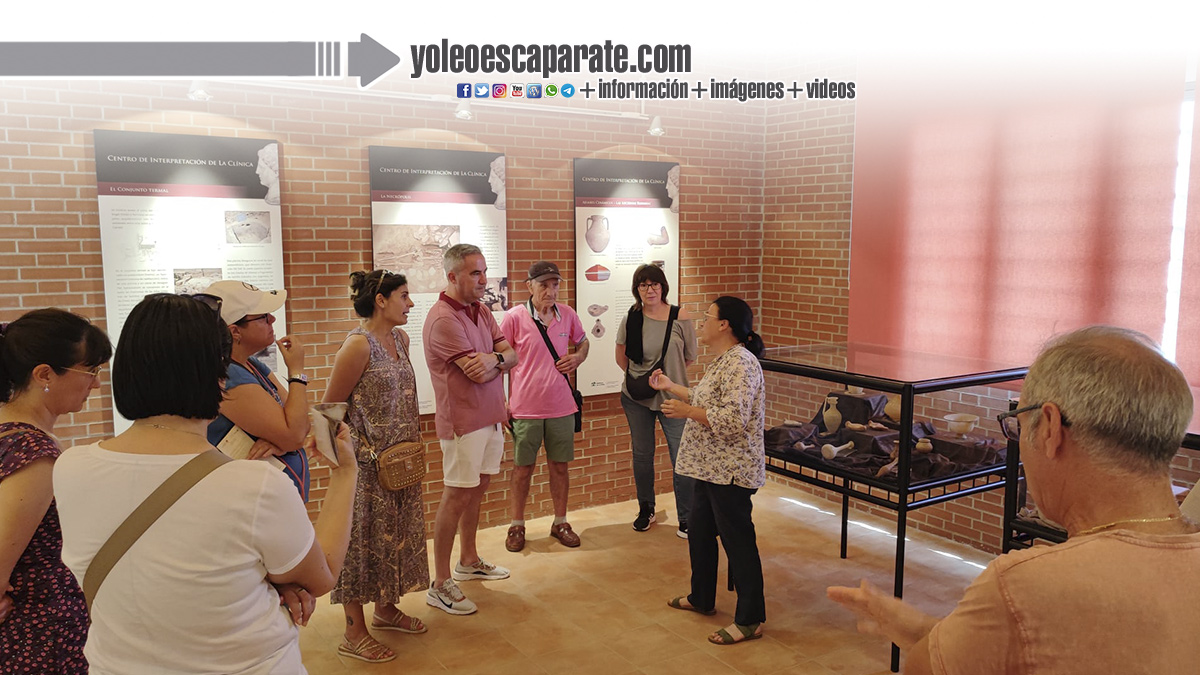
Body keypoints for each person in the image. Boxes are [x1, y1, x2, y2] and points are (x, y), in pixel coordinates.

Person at [828, 325, 1200, 675]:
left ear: (1050, 428)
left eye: (1018, 424)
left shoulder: (1026, 585)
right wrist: (924, 630)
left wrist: (925, 639)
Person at [54, 293, 358, 674]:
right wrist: (345, 472)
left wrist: (252, 578)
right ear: (218, 376)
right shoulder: (255, 487)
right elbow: (322, 573)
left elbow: (168, 568)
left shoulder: (69, 468)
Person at [322, 270, 430, 663]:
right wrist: (340, 463)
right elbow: (331, 408)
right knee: (359, 543)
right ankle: (353, 631)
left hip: (400, 462)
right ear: (381, 300)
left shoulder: (401, 339)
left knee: (394, 537)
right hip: (366, 466)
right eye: (404, 295)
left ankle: (386, 609)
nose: (410, 304)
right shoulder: (357, 345)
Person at [650, 296, 767, 645]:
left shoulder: (742, 364)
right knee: (700, 532)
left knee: (738, 542)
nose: (702, 323)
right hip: (709, 468)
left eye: (707, 317)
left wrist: (685, 412)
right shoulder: (725, 360)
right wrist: (670, 386)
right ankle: (701, 597)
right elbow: (704, 397)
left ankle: (751, 619)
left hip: (731, 472)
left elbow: (732, 420)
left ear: (724, 325)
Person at [0, 309, 110, 673]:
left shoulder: (13, 435)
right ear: (45, 374)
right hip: (36, 633)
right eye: (90, 370)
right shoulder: (33, 453)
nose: (96, 384)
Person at [422, 244, 517, 615]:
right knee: (456, 496)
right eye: (475, 273)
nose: (483, 280)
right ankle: (440, 582)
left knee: (477, 490)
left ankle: (469, 560)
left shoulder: (482, 310)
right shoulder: (443, 319)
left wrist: (494, 359)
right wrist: (499, 361)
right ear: (452, 276)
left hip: (491, 416)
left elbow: (511, 355)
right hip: (462, 423)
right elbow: (476, 373)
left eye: (484, 271)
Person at [499, 261, 589, 552]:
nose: (551, 291)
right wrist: (501, 402)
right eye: (544, 285)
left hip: (561, 407)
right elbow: (499, 361)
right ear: (529, 286)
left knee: (559, 467)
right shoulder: (514, 317)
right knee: (522, 469)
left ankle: (560, 522)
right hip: (524, 409)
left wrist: (578, 358)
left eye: (555, 285)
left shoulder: (568, 315)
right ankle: (516, 525)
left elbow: (584, 342)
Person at [203, 280, 312, 501]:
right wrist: (296, 371)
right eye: (263, 317)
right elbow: (296, 434)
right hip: (258, 499)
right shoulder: (229, 375)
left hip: (275, 495)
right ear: (235, 331)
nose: (272, 319)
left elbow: (302, 422)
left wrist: (282, 442)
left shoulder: (250, 364)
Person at [616, 263, 697, 535]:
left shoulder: (679, 316)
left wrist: (668, 380)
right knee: (642, 455)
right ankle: (646, 509)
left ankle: (687, 516)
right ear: (636, 289)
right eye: (643, 285)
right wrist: (641, 382)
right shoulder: (631, 317)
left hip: (673, 398)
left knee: (681, 455)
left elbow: (688, 357)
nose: (649, 290)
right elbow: (621, 356)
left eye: (654, 284)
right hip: (637, 398)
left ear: (663, 287)